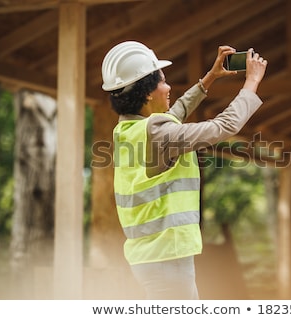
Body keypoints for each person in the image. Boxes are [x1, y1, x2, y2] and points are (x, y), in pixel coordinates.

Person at [101, 41, 267, 299]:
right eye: (163, 82)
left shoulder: (128, 130)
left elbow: (173, 115)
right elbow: (223, 126)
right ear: (146, 93)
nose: (169, 88)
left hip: (151, 257)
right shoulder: (158, 134)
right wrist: (252, 82)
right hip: (167, 256)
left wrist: (209, 79)